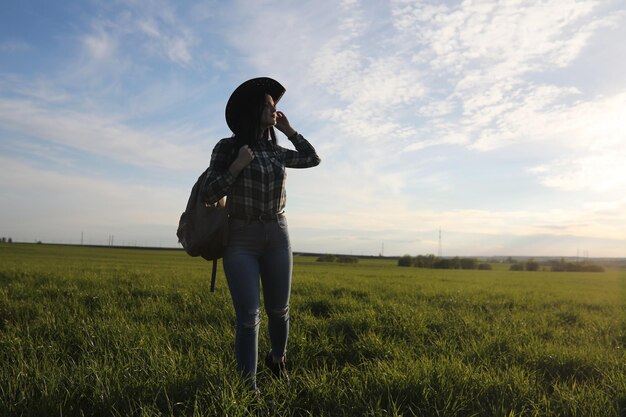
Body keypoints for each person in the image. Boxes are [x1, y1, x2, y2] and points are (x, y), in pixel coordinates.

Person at [203, 77, 320, 390]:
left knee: (279, 311)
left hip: (277, 235)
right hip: (240, 239)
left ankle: (277, 360)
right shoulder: (228, 147)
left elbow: (312, 158)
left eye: (276, 106)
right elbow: (209, 192)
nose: (275, 111)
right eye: (269, 106)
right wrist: (237, 166)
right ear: (253, 110)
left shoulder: (276, 150)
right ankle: (248, 387)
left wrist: (290, 132)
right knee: (248, 317)